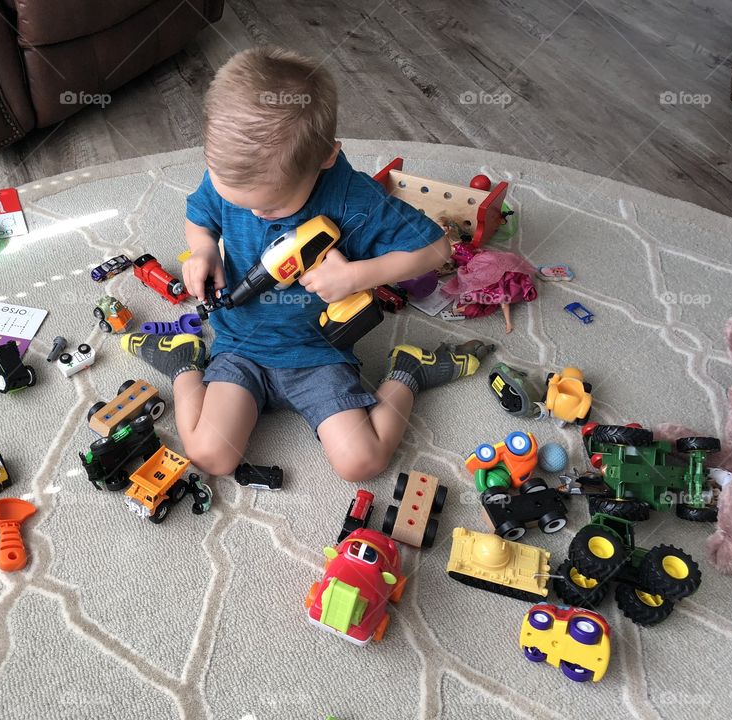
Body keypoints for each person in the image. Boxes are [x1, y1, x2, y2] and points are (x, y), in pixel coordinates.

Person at [121, 46, 492, 482]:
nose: (255, 215)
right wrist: (202, 249)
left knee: (362, 464)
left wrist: (357, 275)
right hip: (241, 346)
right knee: (209, 456)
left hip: (319, 353)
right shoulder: (232, 174)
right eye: (239, 201)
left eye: (272, 208)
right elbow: (199, 217)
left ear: (326, 157)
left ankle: (409, 371)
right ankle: (184, 362)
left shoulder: (354, 199)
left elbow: (436, 250)